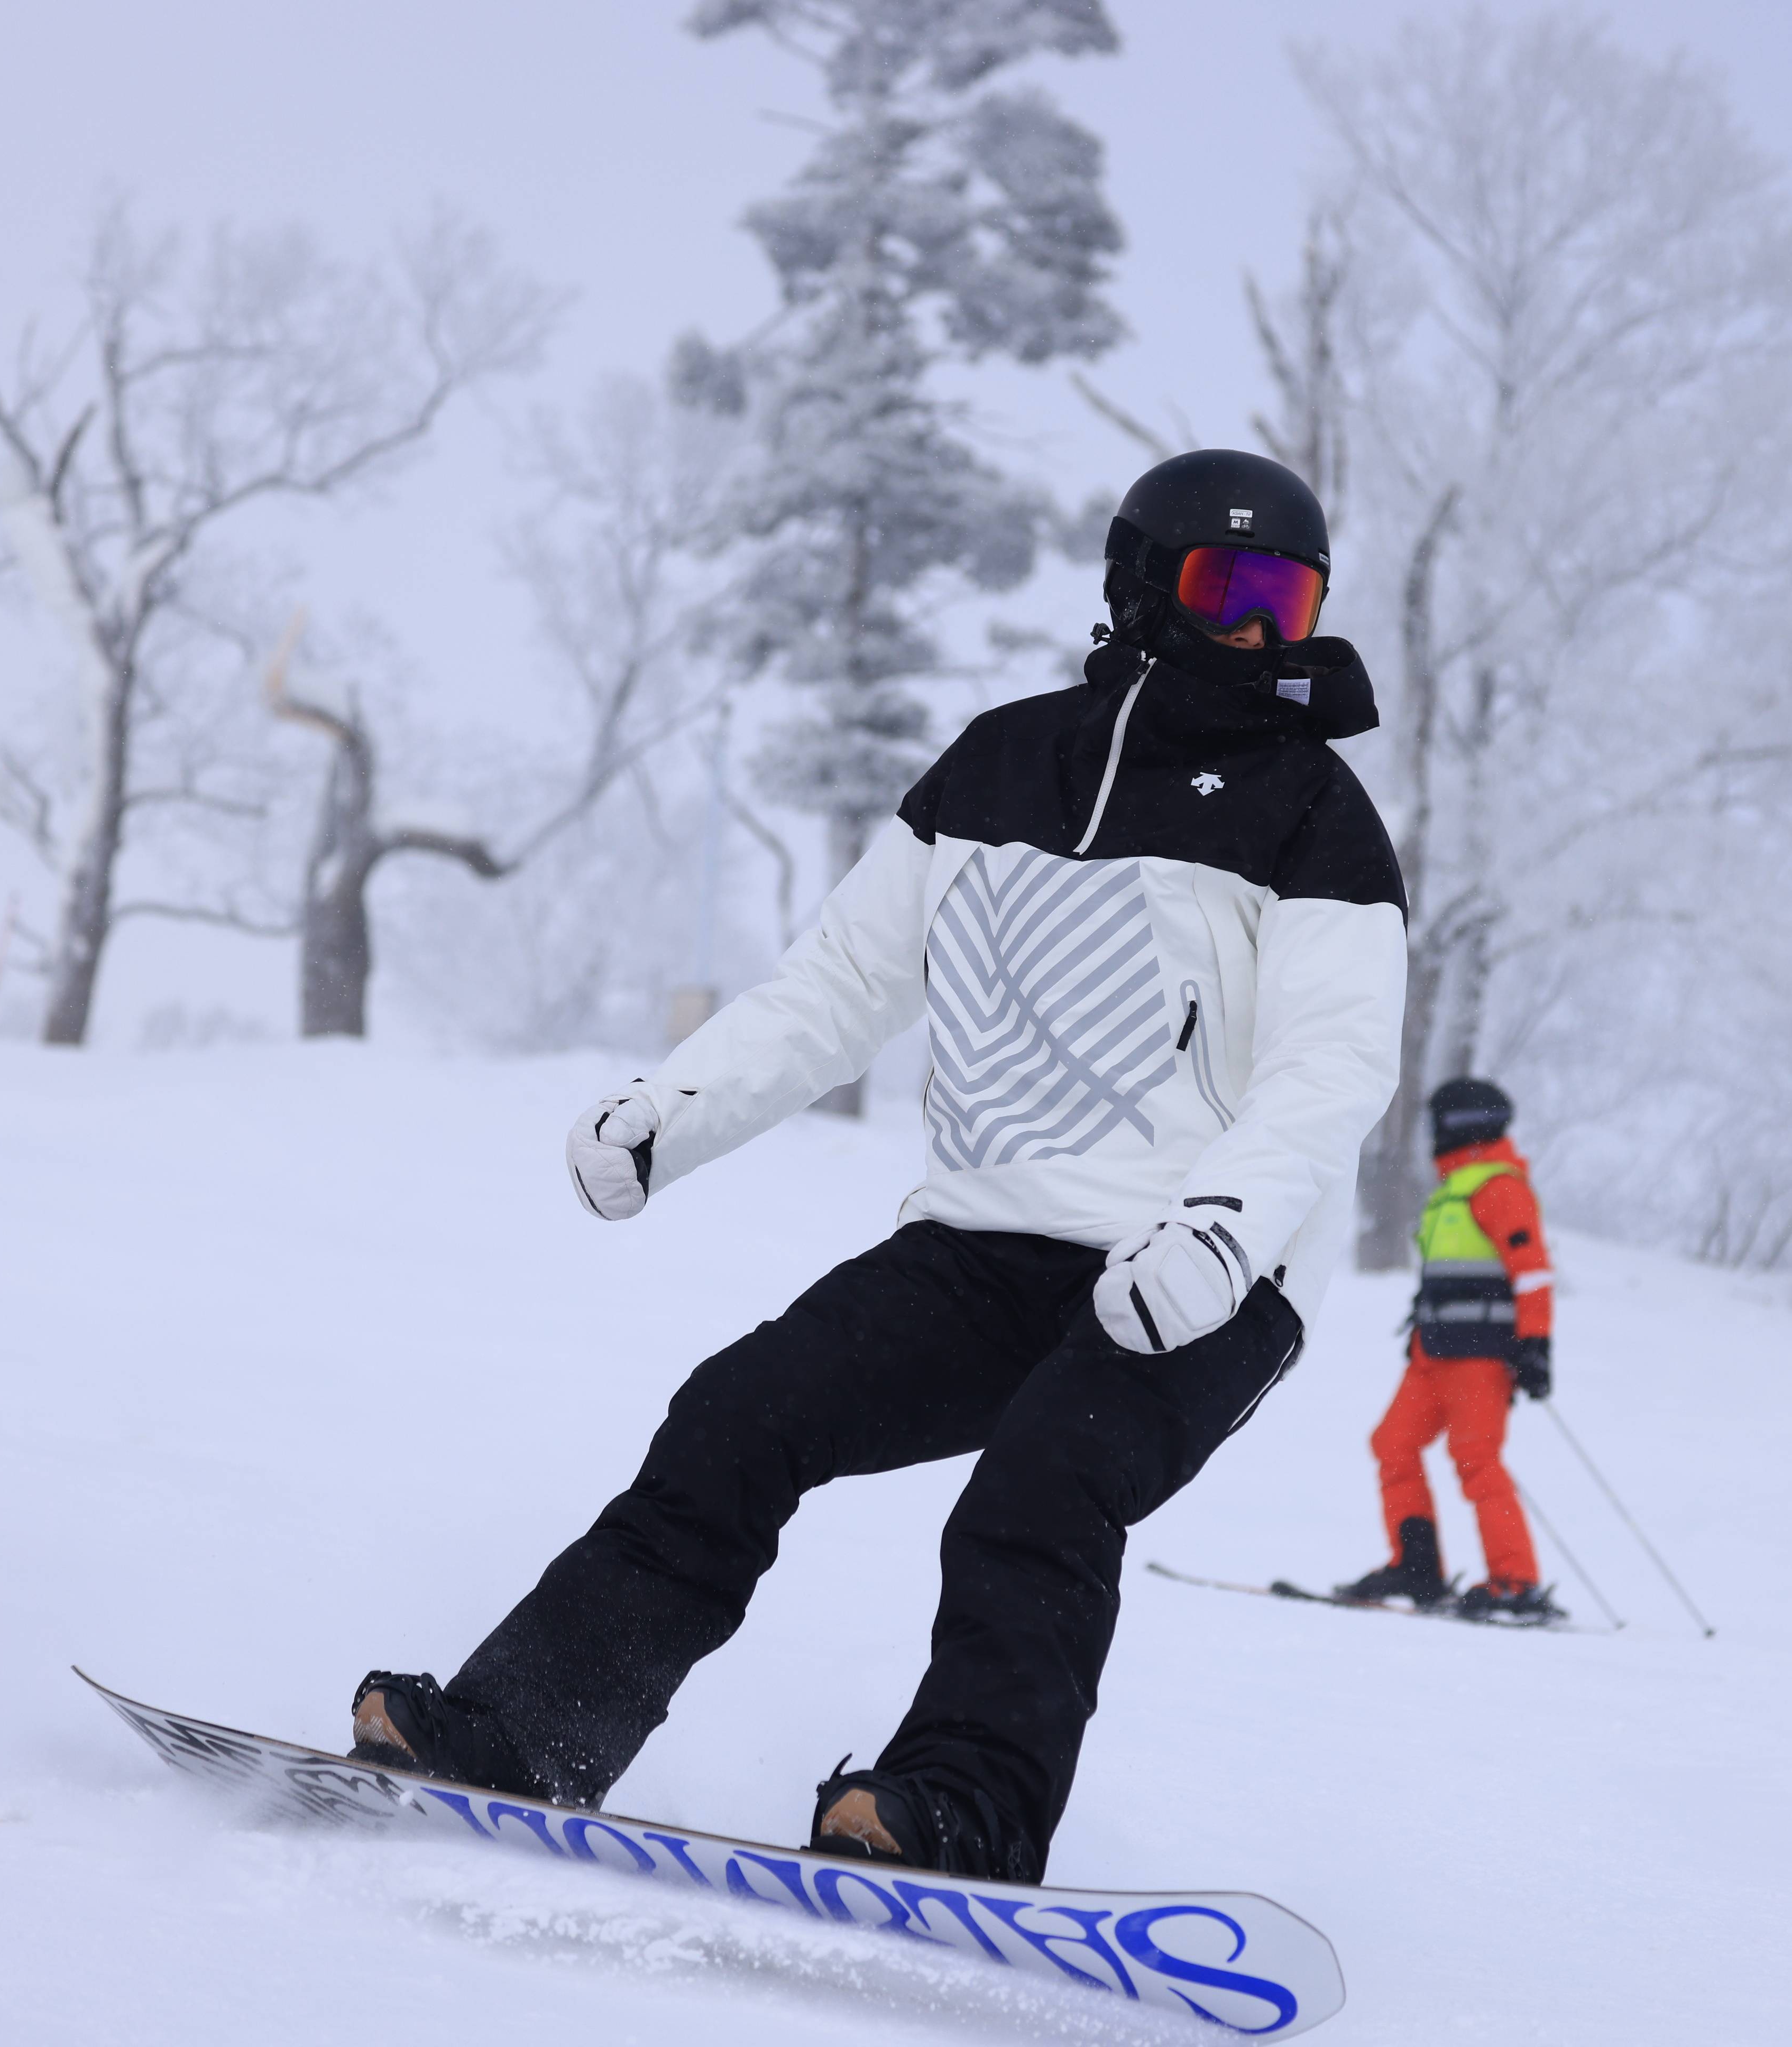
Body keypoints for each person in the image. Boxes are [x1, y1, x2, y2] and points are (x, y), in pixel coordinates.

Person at [347, 449, 1407, 1882]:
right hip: (986, 1245)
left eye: (1293, 600)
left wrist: (1221, 1236)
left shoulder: (1315, 816)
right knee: (738, 1416)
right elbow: (837, 989)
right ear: (1145, 585)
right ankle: (524, 1735)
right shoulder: (995, 764)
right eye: (1232, 591)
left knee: (1044, 1484)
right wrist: (677, 1112)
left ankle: (961, 1812)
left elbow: (1329, 1066)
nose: (1264, 635)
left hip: (1210, 1268)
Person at [1335, 1077, 1564, 1625]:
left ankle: (1516, 1581)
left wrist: (1535, 1345)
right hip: (1433, 1356)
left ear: (1458, 1126)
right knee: (1393, 1443)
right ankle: (1418, 1568)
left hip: (1481, 1357)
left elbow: (1532, 1274)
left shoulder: (1500, 1187)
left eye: (1435, 1123)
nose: (1429, 1135)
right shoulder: (1453, 1191)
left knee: (1477, 1460)